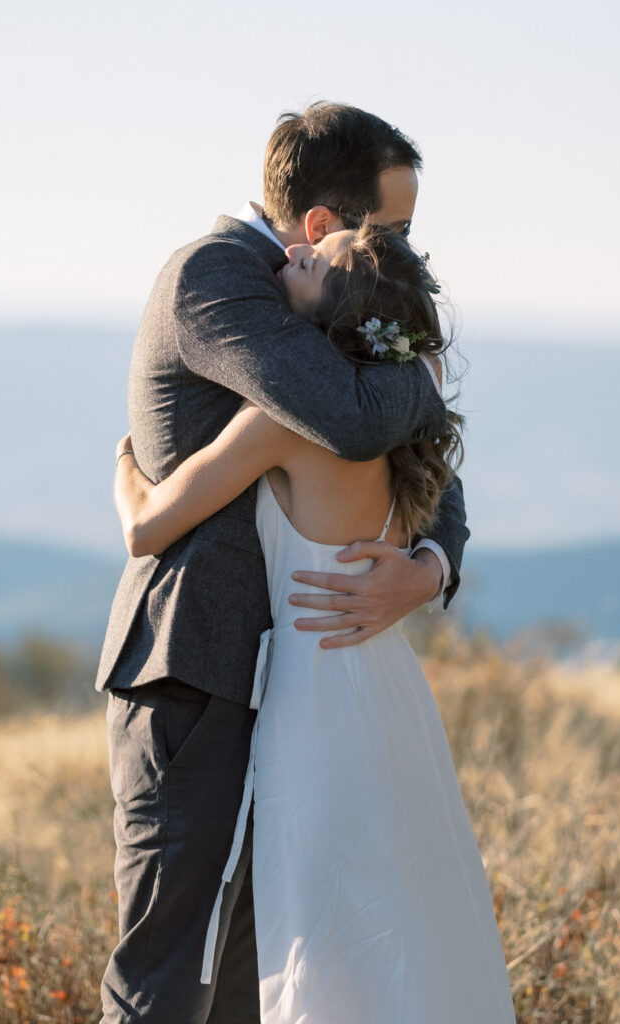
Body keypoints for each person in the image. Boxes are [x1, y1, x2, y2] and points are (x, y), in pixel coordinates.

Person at [95, 102, 470, 1024]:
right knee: (170, 969)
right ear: (320, 228)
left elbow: (421, 464)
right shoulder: (217, 278)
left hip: (296, 684)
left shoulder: (335, 300)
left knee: (262, 977)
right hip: (197, 672)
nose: (411, 257)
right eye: (398, 231)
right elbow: (351, 420)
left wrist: (429, 565)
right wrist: (415, 359)